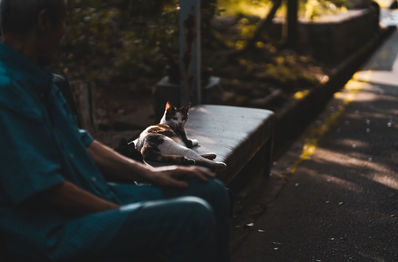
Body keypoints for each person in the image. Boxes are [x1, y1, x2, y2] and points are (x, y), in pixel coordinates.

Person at [0, 0, 230, 261]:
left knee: (210, 190)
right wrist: (122, 215)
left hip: (96, 192)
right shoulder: (7, 91)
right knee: (192, 215)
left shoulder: (39, 79)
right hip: (54, 230)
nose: (63, 32)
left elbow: (81, 142)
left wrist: (153, 174)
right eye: (63, 20)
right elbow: (47, 190)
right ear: (44, 22)